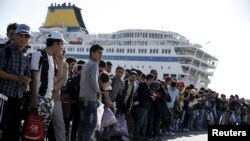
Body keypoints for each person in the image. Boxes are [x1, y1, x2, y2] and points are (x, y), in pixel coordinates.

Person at [0, 23, 31, 141]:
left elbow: (27, 75)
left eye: (26, 37)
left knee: (14, 132)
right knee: (1, 129)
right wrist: (19, 78)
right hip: (4, 98)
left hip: (18, 98)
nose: (23, 39)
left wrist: (26, 83)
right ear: (16, 36)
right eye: (21, 35)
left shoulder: (26, 55)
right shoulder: (4, 51)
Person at [30, 31, 65, 133]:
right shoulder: (38, 54)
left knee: (41, 131)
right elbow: (34, 77)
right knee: (33, 130)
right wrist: (34, 99)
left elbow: (57, 78)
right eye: (61, 44)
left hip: (49, 100)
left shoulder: (52, 59)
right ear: (56, 43)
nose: (62, 47)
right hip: (39, 99)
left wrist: (60, 61)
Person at [78, 44, 103, 141]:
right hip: (90, 100)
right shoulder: (94, 64)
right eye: (99, 53)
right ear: (92, 53)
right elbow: (94, 82)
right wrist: (99, 92)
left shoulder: (86, 64)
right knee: (91, 125)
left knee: (83, 125)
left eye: (101, 53)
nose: (101, 55)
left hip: (82, 98)